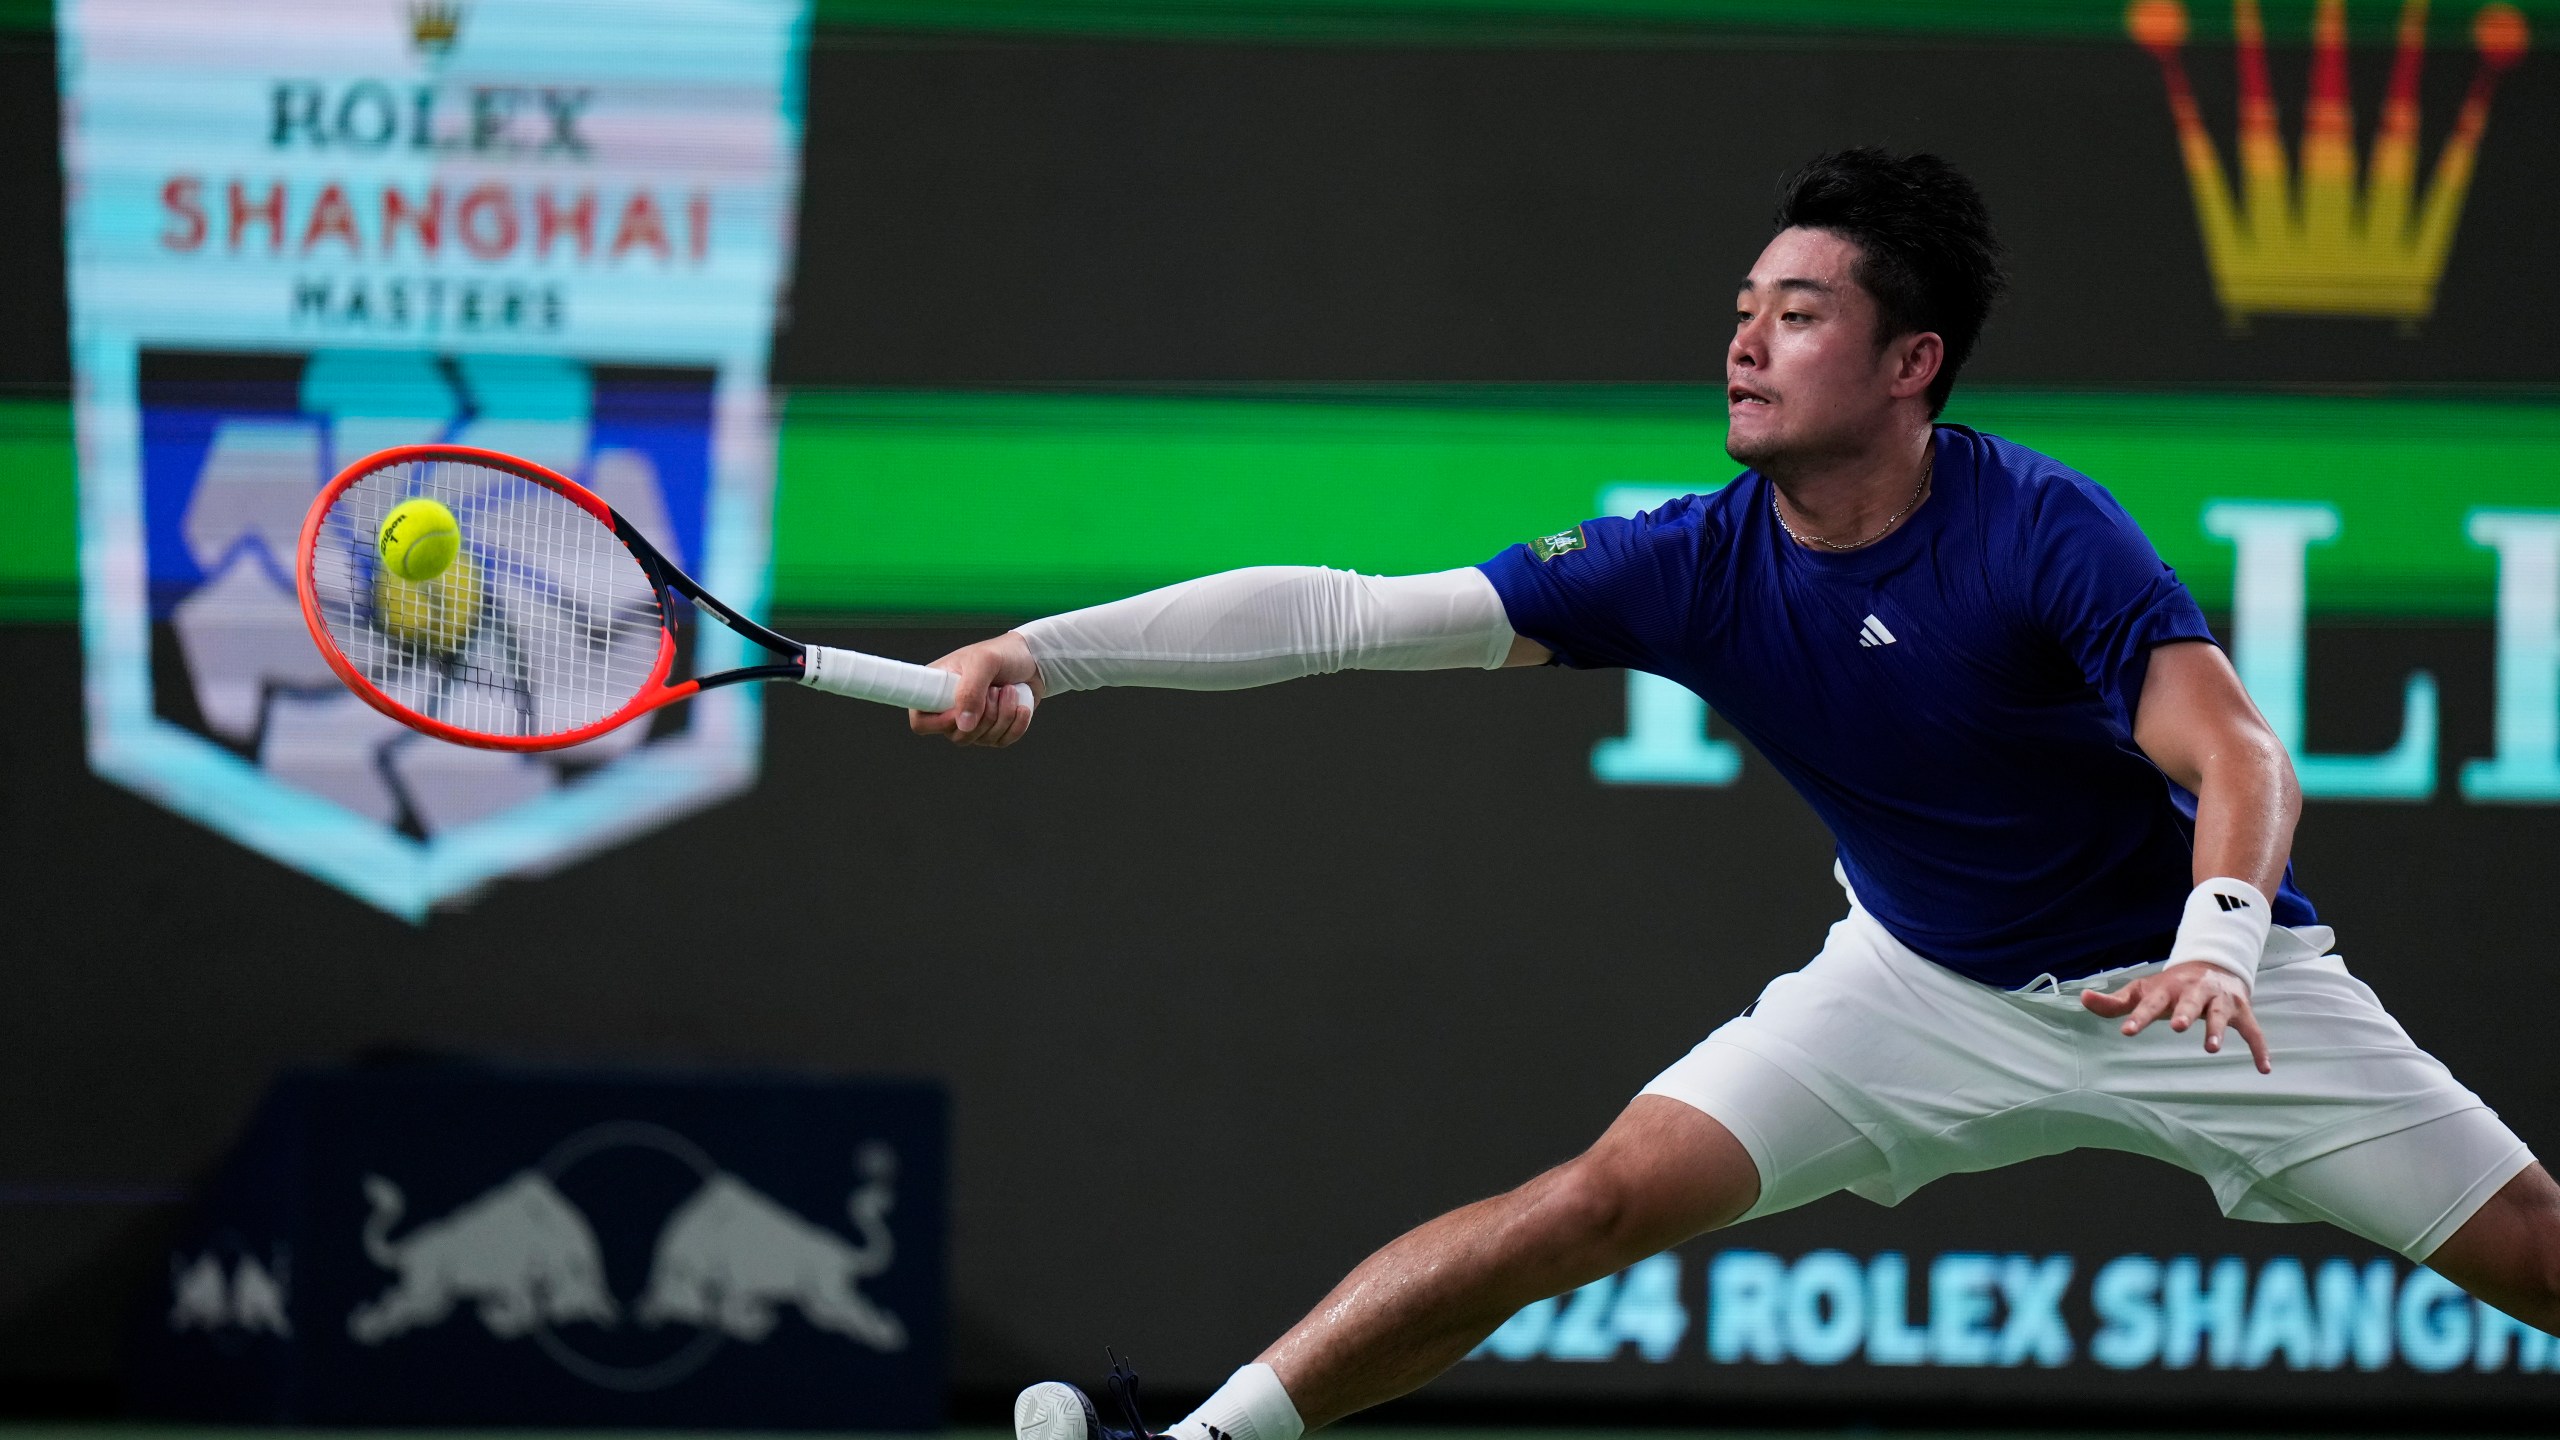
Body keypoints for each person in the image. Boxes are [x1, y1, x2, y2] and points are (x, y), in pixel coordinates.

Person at [911, 149, 2560, 1440]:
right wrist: (1051, 652)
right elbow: (1350, 612)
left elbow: (2239, 756)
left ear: (1913, 361)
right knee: (1594, 1202)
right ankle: (1203, 1438)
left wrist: (2219, 939)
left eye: (1797, 311)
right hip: (1913, 990)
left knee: (2538, 1261)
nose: (1743, 339)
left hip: (2203, 995)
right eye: (1744, 304)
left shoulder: (2043, 530)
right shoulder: (1686, 564)